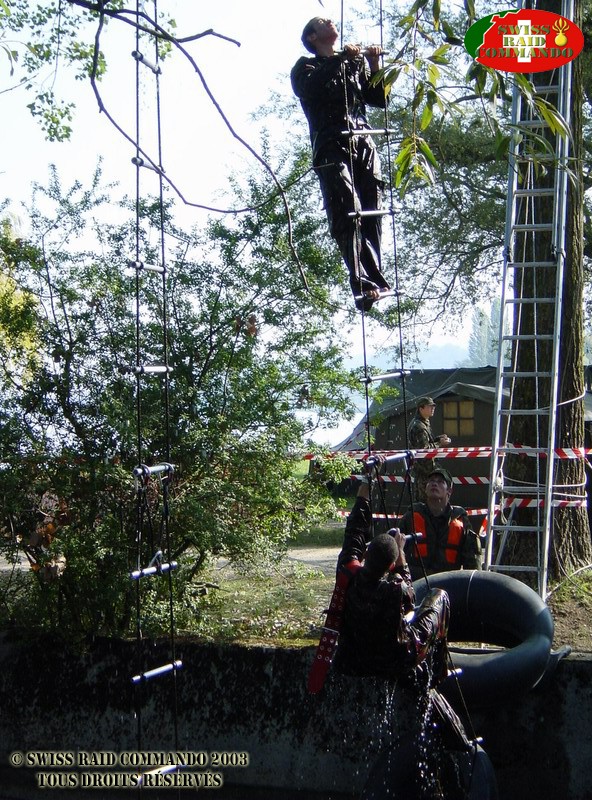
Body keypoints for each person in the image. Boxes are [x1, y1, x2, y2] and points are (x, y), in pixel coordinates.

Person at [291, 17, 390, 312]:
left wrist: (374, 65)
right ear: (312, 37)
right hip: (331, 144)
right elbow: (312, 89)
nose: (331, 21)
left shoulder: (352, 63)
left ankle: (375, 279)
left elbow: (379, 99)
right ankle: (361, 281)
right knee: (347, 208)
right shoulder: (305, 67)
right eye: (323, 22)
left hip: (363, 141)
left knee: (372, 207)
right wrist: (342, 58)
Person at [331, 472, 450, 684]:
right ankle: (439, 672)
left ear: (366, 555)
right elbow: (409, 596)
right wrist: (400, 552)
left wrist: (366, 484)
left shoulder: (348, 572)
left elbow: (355, 530)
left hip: (354, 655)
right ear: (391, 565)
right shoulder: (395, 590)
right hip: (395, 660)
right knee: (439, 596)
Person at [399, 467, 482, 581]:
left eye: (440, 482)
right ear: (425, 489)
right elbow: (394, 549)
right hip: (415, 583)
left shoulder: (460, 520)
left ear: (449, 491)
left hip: (447, 583)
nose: (434, 484)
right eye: (431, 481)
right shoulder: (411, 516)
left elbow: (473, 565)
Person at [407, 396, 451, 501]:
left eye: (433, 406)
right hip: (424, 471)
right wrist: (440, 443)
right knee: (425, 501)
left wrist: (438, 439)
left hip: (427, 470)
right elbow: (424, 449)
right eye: (429, 406)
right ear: (421, 408)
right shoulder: (419, 426)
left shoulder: (423, 423)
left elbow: (425, 442)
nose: (433, 408)